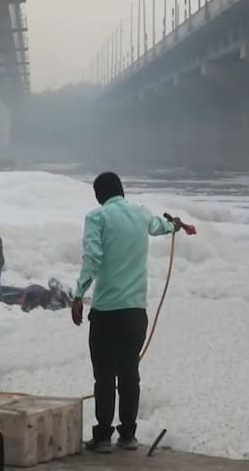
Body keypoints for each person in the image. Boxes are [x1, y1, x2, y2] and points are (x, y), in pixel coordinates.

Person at [71, 172, 180, 453]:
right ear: (121, 190)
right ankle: (128, 436)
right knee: (130, 373)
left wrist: (79, 294)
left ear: (100, 195)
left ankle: (103, 437)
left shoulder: (97, 217)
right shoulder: (141, 214)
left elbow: (93, 257)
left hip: (107, 311)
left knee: (105, 375)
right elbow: (161, 226)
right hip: (135, 312)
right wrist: (174, 225)